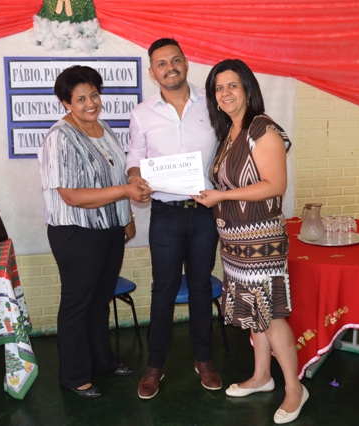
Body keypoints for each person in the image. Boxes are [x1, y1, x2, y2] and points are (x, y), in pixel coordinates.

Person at [195, 59, 308, 424]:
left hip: (261, 238)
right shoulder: (230, 131)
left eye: (232, 85)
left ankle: (295, 388)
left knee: (269, 314)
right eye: (218, 88)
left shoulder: (262, 128)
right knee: (253, 310)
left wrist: (222, 197)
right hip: (234, 241)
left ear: (247, 89)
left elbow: (275, 185)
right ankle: (261, 376)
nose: (225, 93)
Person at [38, 65, 152, 398]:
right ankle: (74, 376)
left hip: (109, 229)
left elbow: (118, 176)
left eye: (94, 95)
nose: (91, 103)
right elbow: (71, 196)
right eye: (81, 99)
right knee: (78, 304)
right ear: (65, 103)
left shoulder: (104, 128)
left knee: (100, 300)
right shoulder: (59, 137)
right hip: (76, 232)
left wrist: (126, 215)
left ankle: (102, 360)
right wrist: (125, 192)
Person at [126, 38, 221, 399]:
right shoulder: (142, 113)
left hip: (204, 212)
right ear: (153, 72)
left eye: (175, 60)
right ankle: (155, 366)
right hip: (165, 214)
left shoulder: (212, 103)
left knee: (200, 287)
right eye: (162, 63)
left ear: (186, 63)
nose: (170, 67)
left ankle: (204, 360)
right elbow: (135, 156)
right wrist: (135, 178)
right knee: (163, 289)